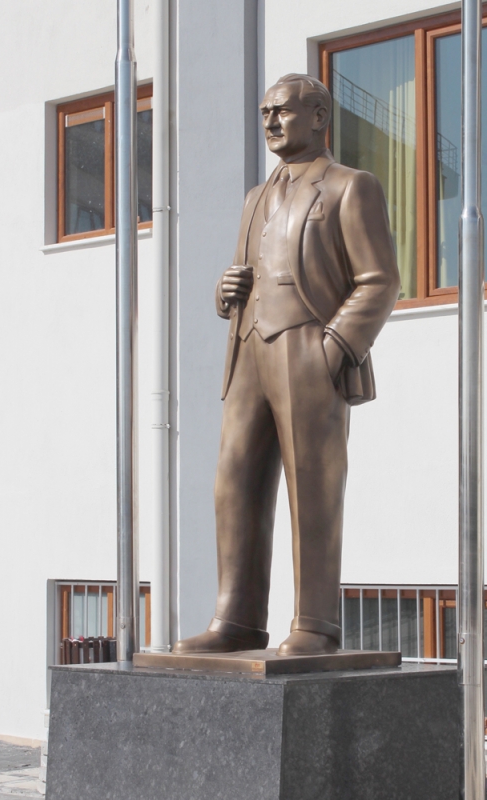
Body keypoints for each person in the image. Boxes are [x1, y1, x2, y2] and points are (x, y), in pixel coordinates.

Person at [174, 74, 400, 656]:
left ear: (319, 116)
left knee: (312, 485)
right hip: (248, 350)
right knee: (234, 480)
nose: (271, 121)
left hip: (307, 349)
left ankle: (315, 625)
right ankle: (237, 619)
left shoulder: (350, 186)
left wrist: (335, 347)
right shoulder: (255, 197)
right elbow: (245, 271)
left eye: (283, 111)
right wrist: (224, 292)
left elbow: (380, 281)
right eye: (265, 112)